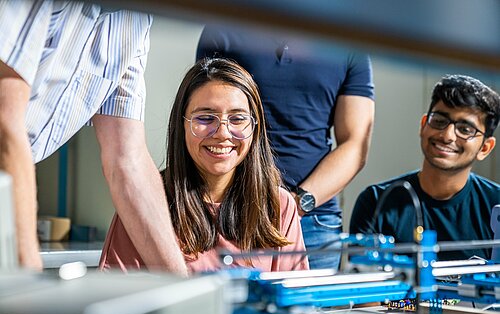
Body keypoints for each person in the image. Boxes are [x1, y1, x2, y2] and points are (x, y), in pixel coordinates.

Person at [0, 0, 187, 275]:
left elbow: (127, 162)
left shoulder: (134, 22)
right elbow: (5, 124)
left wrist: (182, 287)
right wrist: (29, 276)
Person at [99, 58, 309, 274]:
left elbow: (293, 300)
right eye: (206, 118)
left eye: (237, 119)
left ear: (255, 128)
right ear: (182, 124)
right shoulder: (143, 202)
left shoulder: (279, 205)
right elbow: (118, 297)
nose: (222, 133)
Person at [196, 24, 375, 270]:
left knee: (313, 310)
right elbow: (205, 116)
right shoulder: (225, 25)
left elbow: (356, 145)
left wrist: (297, 203)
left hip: (314, 222)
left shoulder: (350, 39)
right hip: (233, 212)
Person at [350, 74, 500, 261]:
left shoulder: (496, 205)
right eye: (439, 121)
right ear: (423, 125)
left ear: (485, 148)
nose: (447, 136)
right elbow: (364, 284)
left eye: (465, 129)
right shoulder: (376, 202)